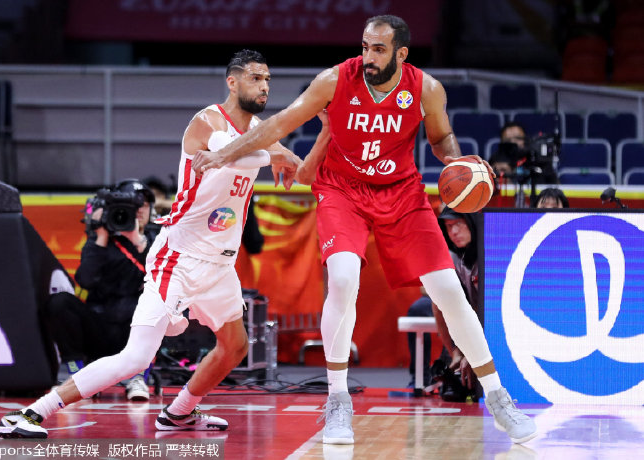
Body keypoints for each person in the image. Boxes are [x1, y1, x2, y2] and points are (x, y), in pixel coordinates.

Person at [192, 15, 538, 445]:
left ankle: (499, 397)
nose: (368, 56)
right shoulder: (335, 79)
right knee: (342, 280)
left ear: (401, 53)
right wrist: (224, 155)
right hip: (343, 189)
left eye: (378, 49)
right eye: (364, 47)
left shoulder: (427, 89)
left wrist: (457, 161)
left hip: (402, 191)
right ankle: (338, 401)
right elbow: (280, 123)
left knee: (449, 289)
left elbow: (441, 138)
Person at [0, 49, 301, 439]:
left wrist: (319, 132)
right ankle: (31, 413)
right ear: (233, 81)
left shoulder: (259, 131)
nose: (264, 86)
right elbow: (235, 157)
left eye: (268, 79)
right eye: (256, 78)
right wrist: (273, 150)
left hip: (220, 264)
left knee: (235, 346)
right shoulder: (208, 122)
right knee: (135, 359)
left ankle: (179, 413)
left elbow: (295, 164)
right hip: (180, 257)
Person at [44, 178, 158, 401]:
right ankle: (78, 377)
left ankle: (138, 377)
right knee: (59, 303)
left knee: (161, 305)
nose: (138, 210)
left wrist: (137, 240)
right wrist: (101, 237)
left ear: (151, 209)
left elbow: (163, 276)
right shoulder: (100, 240)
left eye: (143, 204)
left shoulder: (158, 238)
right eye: (132, 205)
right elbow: (85, 280)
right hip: (99, 326)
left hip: (134, 329)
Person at [432, 207, 483, 402]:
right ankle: (454, 357)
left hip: (494, 325)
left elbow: (491, 312)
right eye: (448, 226)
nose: (453, 232)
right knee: (438, 300)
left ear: (471, 223)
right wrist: (458, 351)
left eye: (458, 225)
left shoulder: (488, 251)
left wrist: (474, 353)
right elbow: (449, 306)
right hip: (467, 324)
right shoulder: (451, 256)